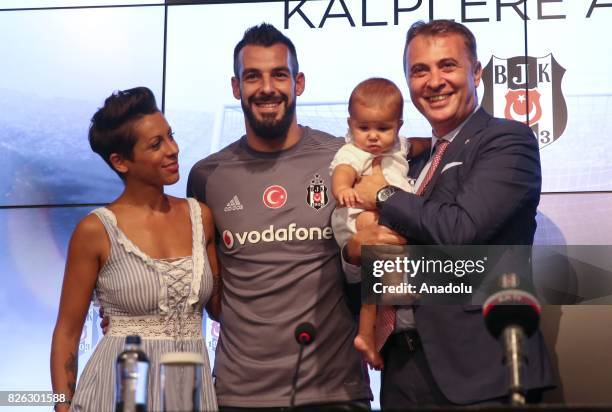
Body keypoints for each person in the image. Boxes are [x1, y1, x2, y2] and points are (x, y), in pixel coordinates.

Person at [344, 20, 555, 407]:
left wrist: (385, 194)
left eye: (448, 66)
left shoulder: (508, 140)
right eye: (419, 70)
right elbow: (381, 250)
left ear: (476, 72)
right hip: (402, 367)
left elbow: (462, 231)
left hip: (486, 371)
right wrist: (354, 251)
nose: (434, 80)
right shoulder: (409, 160)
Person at [187, 23, 372, 410]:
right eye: (252, 76)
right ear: (236, 87)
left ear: (298, 82)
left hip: (335, 390)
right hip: (240, 393)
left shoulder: (343, 159)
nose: (266, 88)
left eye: (279, 74)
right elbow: (209, 288)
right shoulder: (207, 176)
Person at [50, 87, 219, 412]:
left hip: (189, 393)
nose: (173, 150)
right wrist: (62, 407)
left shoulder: (202, 217)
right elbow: (67, 333)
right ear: (120, 161)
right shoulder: (95, 230)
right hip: (116, 393)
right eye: (156, 144)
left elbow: (222, 308)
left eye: (170, 136)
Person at [329, 77, 428, 370]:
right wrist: (343, 190)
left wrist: (434, 144)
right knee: (382, 265)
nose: (372, 137)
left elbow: (418, 145)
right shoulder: (353, 150)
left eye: (382, 129)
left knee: (383, 279)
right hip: (360, 217)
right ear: (350, 124)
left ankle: (366, 335)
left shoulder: (397, 147)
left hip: (389, 217)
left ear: (398, 125)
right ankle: (367, 332)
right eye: (363, 128)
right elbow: (342, 172)